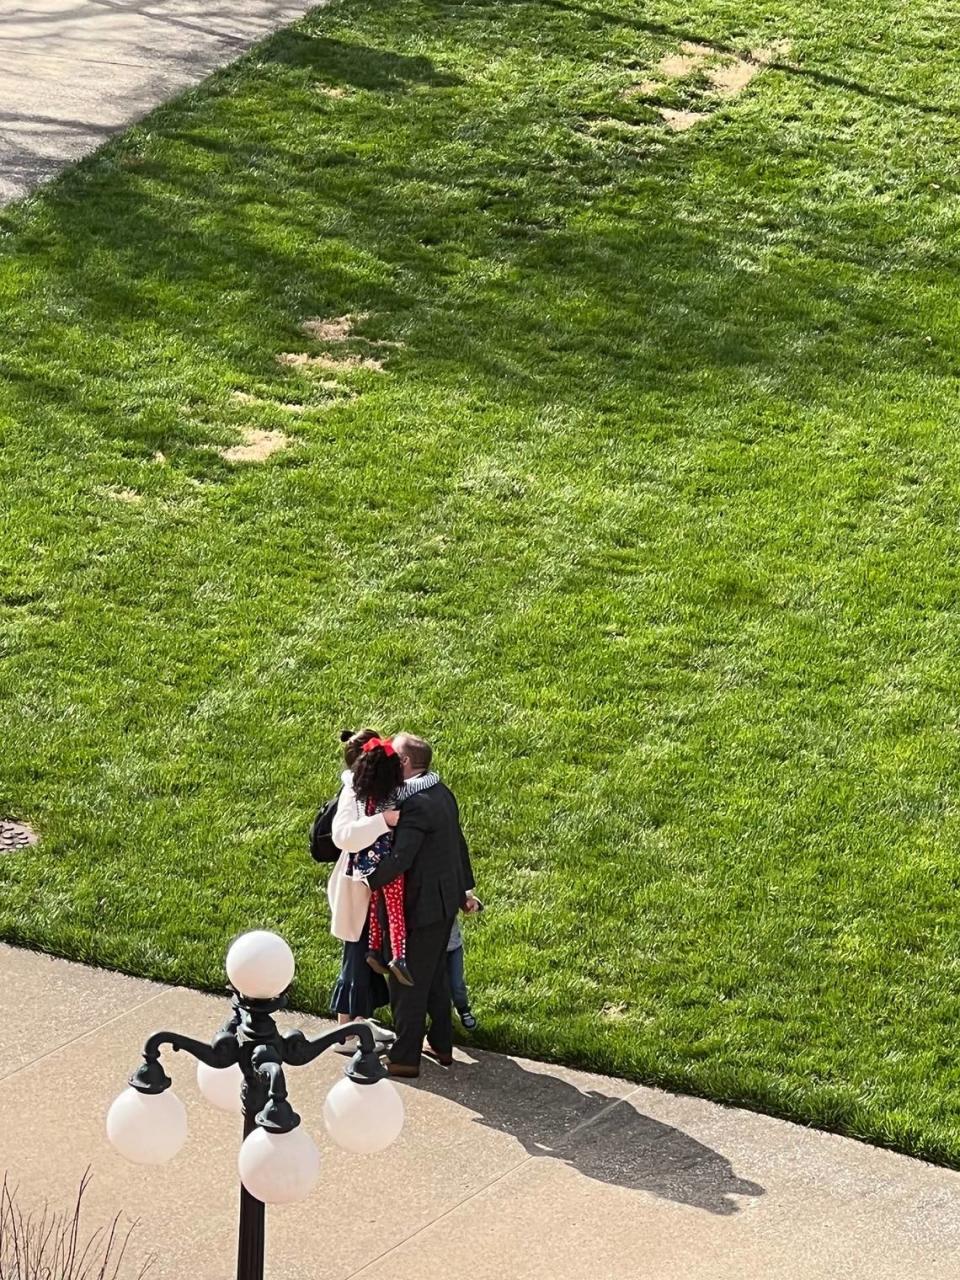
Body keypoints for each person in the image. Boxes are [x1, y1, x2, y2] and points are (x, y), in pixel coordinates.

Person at [365, 732, 479, 1079]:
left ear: (404, 763)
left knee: (406, 982)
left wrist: (367, 878)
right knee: (433, 977)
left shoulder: (413, 805)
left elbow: (401, 858)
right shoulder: (441, 793)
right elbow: (457, 845)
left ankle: (404, 1058)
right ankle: (441, 1044)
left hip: (420, 908)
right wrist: (464, 893)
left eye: (392, 756)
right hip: (443, 903)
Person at [327, 729, 398, 1053]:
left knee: (368, 958)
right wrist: (383, 821)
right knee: (355, 959)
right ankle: (345, 1032)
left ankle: (361, 1021)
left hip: (373, 893)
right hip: (355, 893)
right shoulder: (351, 795)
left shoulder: (376, 794)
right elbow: (343, 836)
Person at [344, 736, 414, 987]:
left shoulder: (364, 797)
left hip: (365, 865)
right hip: (387, 863)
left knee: (376, 906)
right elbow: (418, 786)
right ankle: (399, 957)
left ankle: (374, 948)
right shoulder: (394, 797)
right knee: (395, 911)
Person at [447, 912, 478, 1031]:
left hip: (454, 946)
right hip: (433, 948)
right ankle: (444, 1017)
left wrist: (470, 902)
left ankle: (463, 1009)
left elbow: (465, 896)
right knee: (438, 987)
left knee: (456, 983)